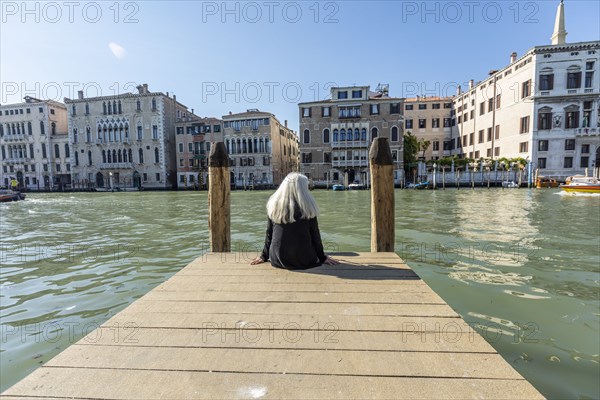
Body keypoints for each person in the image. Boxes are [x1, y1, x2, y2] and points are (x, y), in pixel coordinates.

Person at [251, 172, 339, 269]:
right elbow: (315, 235)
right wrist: (323, 257)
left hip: (278, 259)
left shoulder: (274, 206)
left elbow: (269, 233)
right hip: (305, 259)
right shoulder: (308, 207)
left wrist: (264, 256)